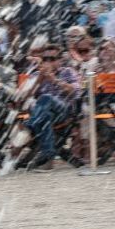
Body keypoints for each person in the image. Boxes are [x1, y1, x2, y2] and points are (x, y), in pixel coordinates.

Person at [24, 42, 81, 171]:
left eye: (52, 59)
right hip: (44, 113)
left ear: (60, 60)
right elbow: (25, 97)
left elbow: (75, 92)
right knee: (46, 117)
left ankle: (30, 125)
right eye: (45, 59)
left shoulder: (68, 72)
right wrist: (39, 80)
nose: (48, 62)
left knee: (46, 98)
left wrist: (53, 79)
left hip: (64, 110)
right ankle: (48, 152)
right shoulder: (36, 74)